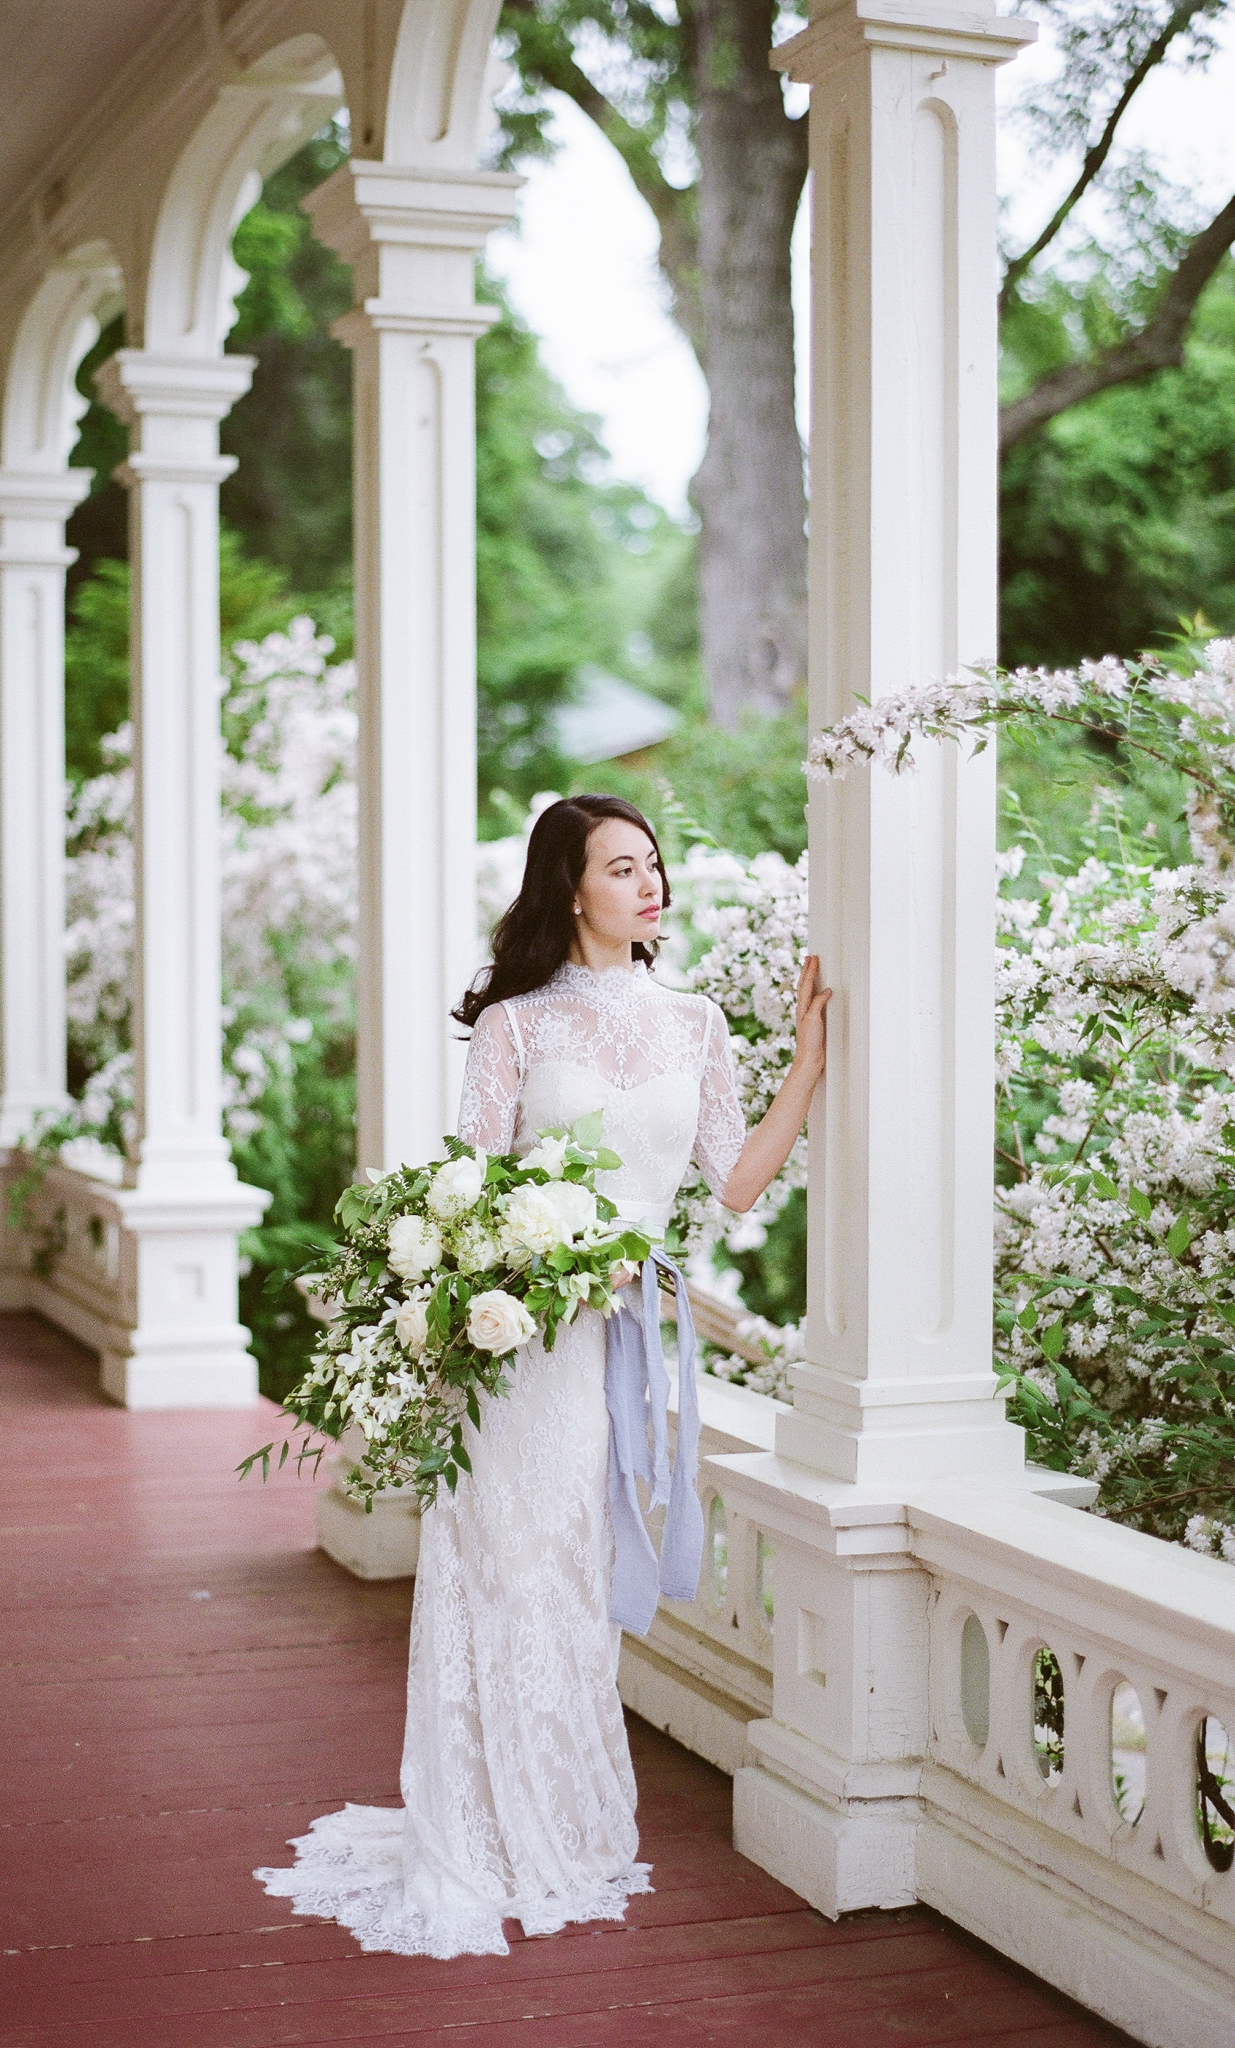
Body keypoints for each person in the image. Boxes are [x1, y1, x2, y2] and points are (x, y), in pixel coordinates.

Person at [257, 794, 829, 1957]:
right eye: (624, 867)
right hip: (524, 1346)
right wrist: (548, 1269)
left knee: (577, 1569)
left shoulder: (699, 1020)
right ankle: (477, 1823)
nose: (650, 883)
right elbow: (469, 1192)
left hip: (623, 1349)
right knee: (507, 1567)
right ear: (572, 888)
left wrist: (809, 1063)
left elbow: (731, 1181)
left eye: (655, 863)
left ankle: (560, 1815)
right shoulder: (516, 1025)